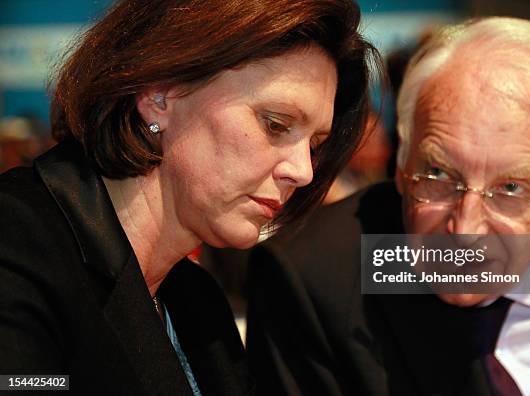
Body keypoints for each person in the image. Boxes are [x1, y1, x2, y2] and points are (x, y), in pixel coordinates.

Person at [0, 0, 380, 394]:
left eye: (314, 145)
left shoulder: (197, 303)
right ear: (160, 94)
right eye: (276, 124)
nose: (303, 171)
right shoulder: (17, 244)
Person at [247, 17, 530, 395]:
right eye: (438, 173)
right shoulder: (319, 278)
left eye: (511, 188)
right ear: (403, 162)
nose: (466, 229)